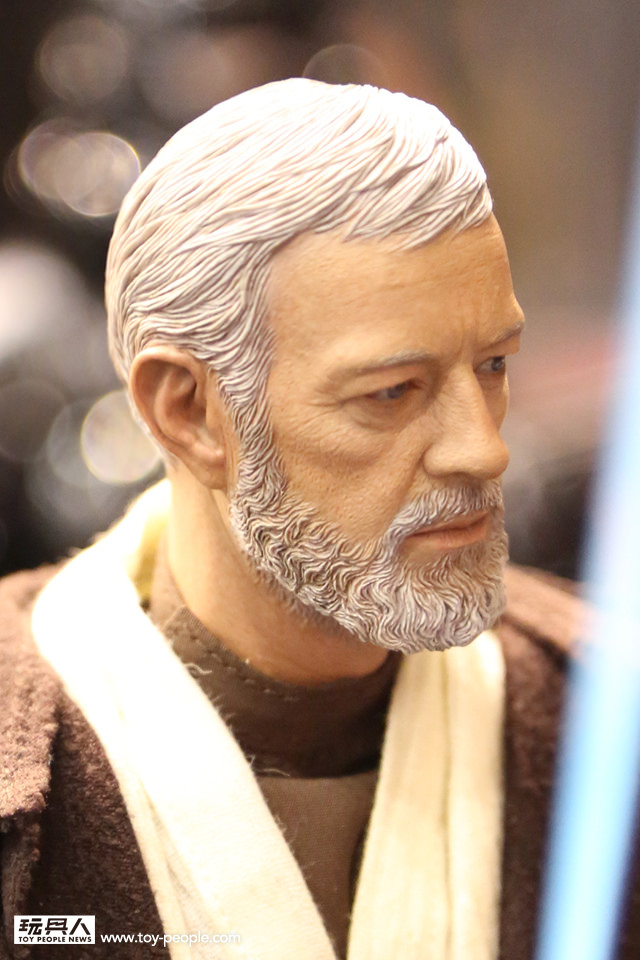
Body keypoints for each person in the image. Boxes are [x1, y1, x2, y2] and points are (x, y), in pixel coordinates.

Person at [0, 79, 634, 960]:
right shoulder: (25, 788)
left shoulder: (603, 725)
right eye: (392, 392)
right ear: (189, 412)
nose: (484, 450)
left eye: (493, 365)